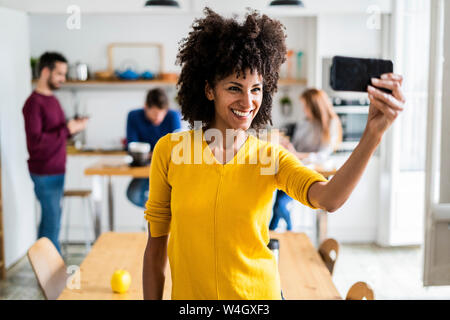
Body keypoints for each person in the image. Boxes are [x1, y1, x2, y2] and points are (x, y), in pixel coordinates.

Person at [142, 8, 405, 300]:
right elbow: (155, 249)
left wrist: (373, 134)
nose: (247, 100)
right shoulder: (170, 151)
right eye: (234, 87)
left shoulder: (270, 156)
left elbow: (329, 199)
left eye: (256, 89)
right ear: (208, 90)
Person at [23, 52, 88, 253]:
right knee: (51, 225)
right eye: (59, 73)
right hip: (44, 173)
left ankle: (47, 274)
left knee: (51, 222)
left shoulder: (53, 100)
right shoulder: (33, 103)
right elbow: (36, 144)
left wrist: (73, 127)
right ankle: (52, 277)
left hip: (57, 171)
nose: (63, 78)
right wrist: (68, 129)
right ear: (45, 71)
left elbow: (57, 134)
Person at [269, 88, 343, 231]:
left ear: (314, 106)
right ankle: (273, 235)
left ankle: (287, 230)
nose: (304, 110)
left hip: (313, 171)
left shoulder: (330, 124)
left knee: (280, 203)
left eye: (305, 106)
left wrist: (296, 154)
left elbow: (322, 155)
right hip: (295, 165)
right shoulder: (305, 123)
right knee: (279, 201)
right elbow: (297, 147)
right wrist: (288, 146)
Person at [126, 88, 181, 208]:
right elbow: (132, 147)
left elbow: (177, 149)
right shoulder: (134, 116)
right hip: (144, 169)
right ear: (146, 107)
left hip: (167, 170)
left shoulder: (173, 116)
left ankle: (160, 217)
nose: (158, 117)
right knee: (133, 194)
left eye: (162, 113)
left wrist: (150, 154)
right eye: (155, 113)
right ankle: (157, 216)